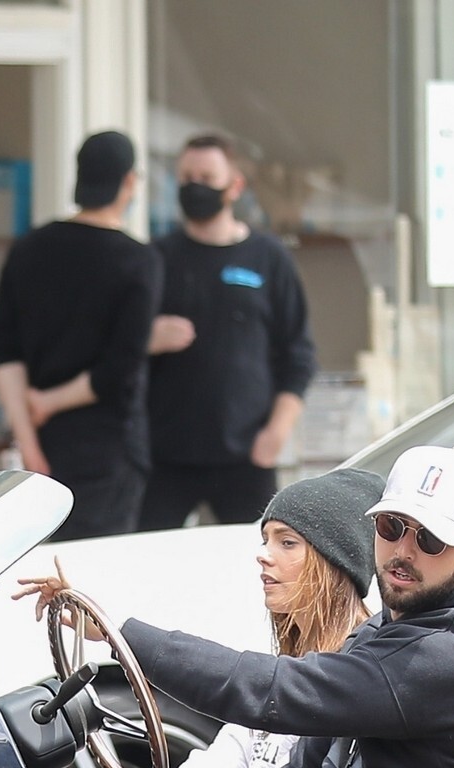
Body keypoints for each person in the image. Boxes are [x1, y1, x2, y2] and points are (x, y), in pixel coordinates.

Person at [118, 446, 454, 768]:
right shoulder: (390, 628)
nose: (403, 551)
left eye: (431, 539)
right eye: (391, 526)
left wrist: (124, 637)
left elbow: (271, 690)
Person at [148, 467, 378, 768]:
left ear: (334, 560)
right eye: (265, 540)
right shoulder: (287, 662)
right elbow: (226, 758)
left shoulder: (361, 669)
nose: (264, 555)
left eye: (287, 542)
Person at [137, 133, 318, 531]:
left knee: (258, 557)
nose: (195, 187)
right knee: (148, 556)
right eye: (187, 178)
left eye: (207, 177)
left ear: (234, 186)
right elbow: (117, 347)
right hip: (166, 456)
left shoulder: (268, 258)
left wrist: (276, 433)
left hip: (246, 454)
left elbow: (299, 356)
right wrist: (148, 338)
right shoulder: (156, 259)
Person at [0, 130, 162, 539]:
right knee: (97, 567)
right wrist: (48, 402)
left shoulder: (28, 249)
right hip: (109, 449)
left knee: (41, 563)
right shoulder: (138, 261)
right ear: (129, 182)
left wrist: (28, 442)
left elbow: (5, 351)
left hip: (42, 447)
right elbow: (118, 370)